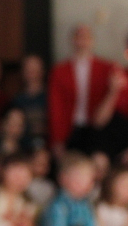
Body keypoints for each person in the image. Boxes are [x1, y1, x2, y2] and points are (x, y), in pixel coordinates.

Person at [48, 24, 115, 159]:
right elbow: (55, 107)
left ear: (92, 40)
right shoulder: (59, 71)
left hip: (97, 128)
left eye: (86, 37)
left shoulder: (107, 68)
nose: (83, 41)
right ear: (72, 40)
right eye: (79, 36)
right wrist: (57, 139)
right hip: (70, 128)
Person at [93, 25, 128, 163]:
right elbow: (99, 121)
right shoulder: (121, 77)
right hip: (106, 137)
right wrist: (113, 91)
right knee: (100, 161)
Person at [13, 54, 48, 147]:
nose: (31, 72)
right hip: (23, 148)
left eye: (35, 68)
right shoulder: (17, 100)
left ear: (42, 71)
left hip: (48, 147)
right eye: (28, 69)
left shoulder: (51, 98)